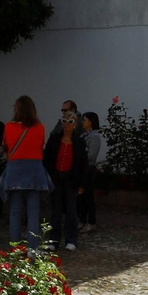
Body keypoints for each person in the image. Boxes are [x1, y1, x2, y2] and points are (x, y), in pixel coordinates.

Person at [0, 96, 49, 247]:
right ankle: (32, 247)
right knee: (33, 212)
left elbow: (6, 145)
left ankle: (15, 246)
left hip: (15, 171)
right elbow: (40, 147)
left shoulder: (8, 126)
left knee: (15, 211)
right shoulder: (40, 127)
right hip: (34, 171)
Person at [44, 107, 90, 250]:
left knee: (71, 210)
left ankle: (71, 240)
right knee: (56, 210)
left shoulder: (79, 142)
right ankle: (53, 240)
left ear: (75, 124)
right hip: (56, 178)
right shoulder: (54, 139)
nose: (67, 124)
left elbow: (84, 164)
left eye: (70, 121)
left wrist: (82, 184)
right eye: (64, 121)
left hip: (72, 180)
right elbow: (46, 159)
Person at [79, 110, 102, 231]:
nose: (82, 122)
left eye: (85, 120)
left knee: (88, 196)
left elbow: (91, 156)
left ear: (91, 122)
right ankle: (82, 220)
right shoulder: (83, 135)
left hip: (88, 168)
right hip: (81, 168)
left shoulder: (94, 137)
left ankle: (91, 222)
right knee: (81, 197)